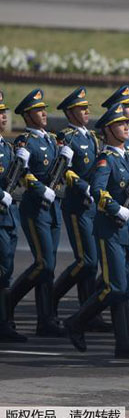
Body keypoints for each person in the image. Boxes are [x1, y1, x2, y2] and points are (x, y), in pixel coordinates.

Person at [65, 103, 129, 358]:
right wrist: (114, 208)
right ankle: (78, 322)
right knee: (116, 286)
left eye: (127, 123)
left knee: (123, 286)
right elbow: (98, 191)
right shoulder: (106, 159)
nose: (128, 127)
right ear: (110, 130)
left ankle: (123, 341)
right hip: (111, 229)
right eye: (122, 124)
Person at [9, 89, 67, 337]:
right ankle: (8, 302)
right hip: (35, 207)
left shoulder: (52, 140)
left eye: (44, 109)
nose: (44, 113)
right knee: (44, 263)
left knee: (49, 266)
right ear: (27, 115)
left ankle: (46, 319)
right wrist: (40, 188)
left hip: (52, 208)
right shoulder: (26, 142)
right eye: (38, 111)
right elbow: (22, 173)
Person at [51, 88, 106, 331]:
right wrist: (84, 187)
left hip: (92, 205)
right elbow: (66, 170)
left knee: (92, 262)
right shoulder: (66, 137)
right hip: (77, 205)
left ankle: (88, 312)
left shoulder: (92, 137)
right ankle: (51, 298)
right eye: (82, 109)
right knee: (86, 260)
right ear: (70, 112)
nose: (87, 112)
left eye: (87, 108)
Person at [0, 90, 25, 342]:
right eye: (0, 113)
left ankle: (5, 321)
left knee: (6, 270)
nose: (4, 117)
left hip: (8, 217)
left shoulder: (7, 147)